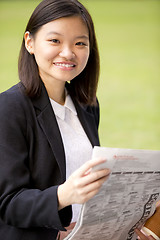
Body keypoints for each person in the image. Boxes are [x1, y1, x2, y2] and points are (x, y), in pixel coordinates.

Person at [0, 1, 156, 240]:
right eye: (55, 41)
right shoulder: (9, 107)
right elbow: (8, 204)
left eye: (80, 43)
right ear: (30, 42)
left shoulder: (87, 104)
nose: (68, 52)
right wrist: (64, 195)